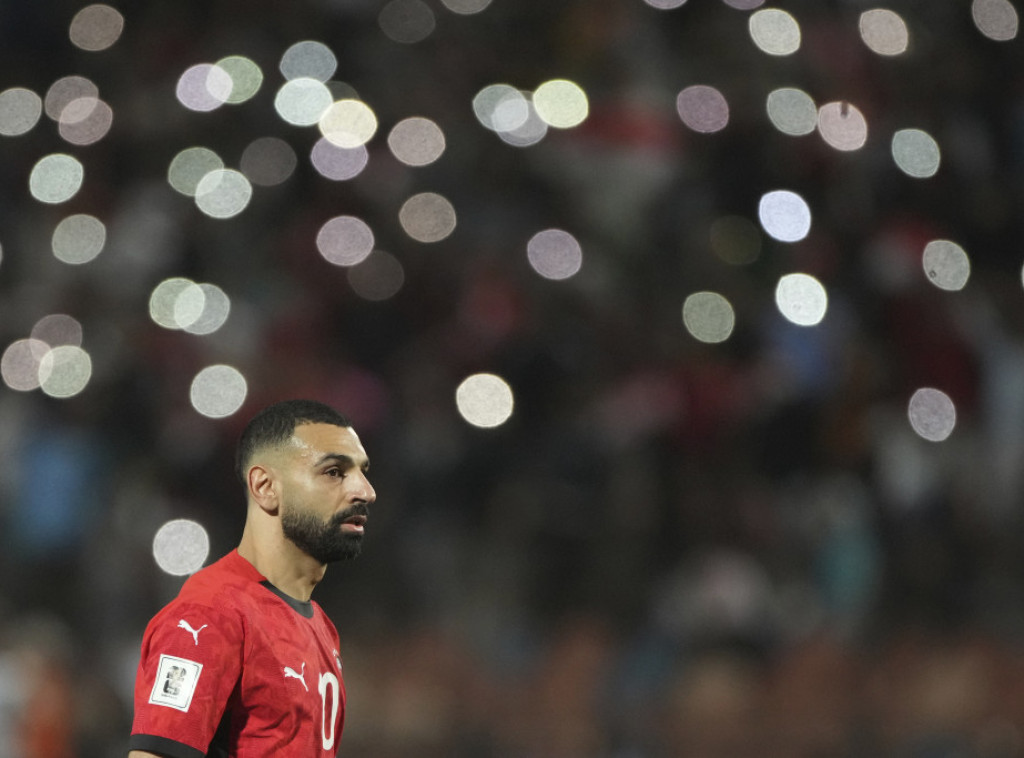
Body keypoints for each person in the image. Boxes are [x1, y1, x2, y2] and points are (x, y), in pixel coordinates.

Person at [127, 399, 376, 758]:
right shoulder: (209, 616)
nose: (365, 491)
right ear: (264, 486)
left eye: (362, 471)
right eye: (334, 471)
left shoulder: (320, 626)